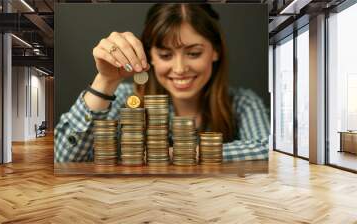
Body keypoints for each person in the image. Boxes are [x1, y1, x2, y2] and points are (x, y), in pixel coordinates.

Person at [54, 3, 269, 162]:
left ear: (215, 51)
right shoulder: (124, 100)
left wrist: (186, 152)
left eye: (193, 53)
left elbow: (268, 149)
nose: (179, 69)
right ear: (151, 57)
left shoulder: (242, 102)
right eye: (166, 55)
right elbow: (63, 158)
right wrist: (105, 81)